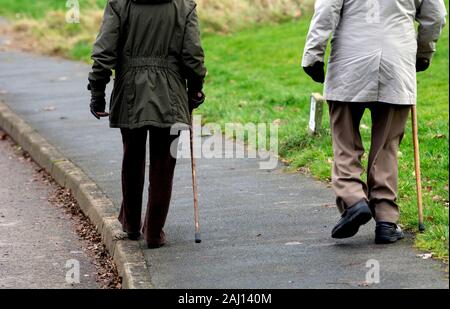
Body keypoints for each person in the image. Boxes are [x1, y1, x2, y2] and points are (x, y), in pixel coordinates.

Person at [302, 0, 446, 244]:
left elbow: (326, 9)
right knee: (387, 146)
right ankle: (386, 221)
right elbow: (436, 16)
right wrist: (422, 53)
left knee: (344, 140)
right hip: (396, 62)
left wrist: (313, 55)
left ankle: (354, 201)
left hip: (350, 63)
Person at [87, 0, 207, 249]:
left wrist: (97, 90)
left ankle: (131, 225)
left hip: (130, 91)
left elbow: (104, 51)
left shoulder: (119, 5)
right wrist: (195, 89)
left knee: (132, 157)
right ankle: (153, 231)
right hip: (170, 93)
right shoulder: (184, 7)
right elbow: (193, 54)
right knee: (164, 163)